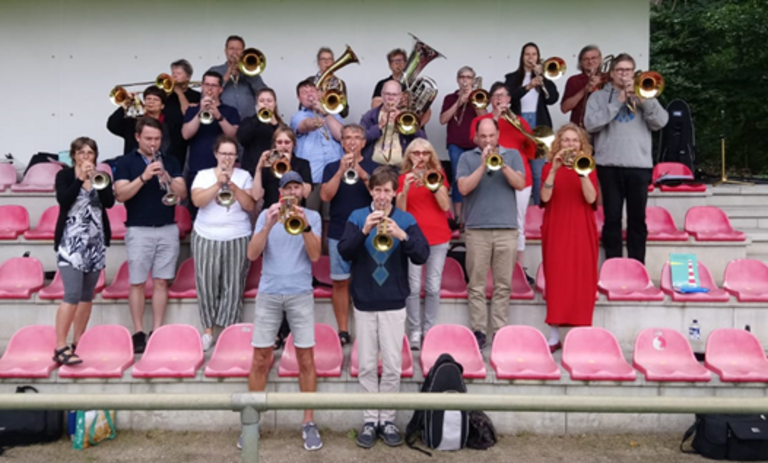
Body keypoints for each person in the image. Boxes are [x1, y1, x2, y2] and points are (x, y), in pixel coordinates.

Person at [338, 166, 429, 449]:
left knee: (391, 365)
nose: (382, 196)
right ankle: (370, 420)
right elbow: (343, 252)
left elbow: (422, 254)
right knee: (366, 364)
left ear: (394, 193)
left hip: (393, 302)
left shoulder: (406, 218)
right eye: (377, 190)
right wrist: (365, 228)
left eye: (387, 191)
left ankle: (387, 420)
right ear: (371, 191)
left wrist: (402, 234)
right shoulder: (356, 216)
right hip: (364, 302)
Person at [246, 171, 323, 451]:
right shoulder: (267, 215)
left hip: (300, 292)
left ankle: (308, 422)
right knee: (260, 357)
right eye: (286, 188)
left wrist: (303, 225)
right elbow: (252, 254)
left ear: (303, 191)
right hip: (269, 292)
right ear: (280, 191)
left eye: (295, 188)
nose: (291, 192)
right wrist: (266, 225)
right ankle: (251, 421)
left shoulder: (311, 218)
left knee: (306, 357)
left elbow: (315, 255)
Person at [584, 53, 669, 264]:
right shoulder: (598, 97)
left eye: (628, 70)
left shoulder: (645, 94)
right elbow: (590, 125)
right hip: (609, 165)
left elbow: (661, 122)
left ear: (634, 72)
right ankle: (613, 264)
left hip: (638, 166)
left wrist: (644, 101)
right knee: (612, 219)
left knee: (637, 220)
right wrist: (617, 102)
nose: (624, 74)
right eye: (620, 70)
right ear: (612, 74)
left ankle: (636, 265)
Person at [114, 117, 187, 353]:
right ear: (137, 137)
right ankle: (138, 332)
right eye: (148, 139)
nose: (153, 143)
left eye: (156, 139)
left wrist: (166, 177)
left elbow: (182, 193)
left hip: (167, 226)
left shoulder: (171, 160)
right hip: (138, 228)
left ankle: (157, 329)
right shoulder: (125, 162)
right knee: (136, 282)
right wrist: (144, 177)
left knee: (161, 281)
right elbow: (121, 194)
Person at [457, 119, 526, 349]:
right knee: (476, 284)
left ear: (498, 135)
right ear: (476, 137)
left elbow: (520, 184)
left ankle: (499, 331)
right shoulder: (467, 158)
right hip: (477, 229)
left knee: (503, 284)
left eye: (491, 136)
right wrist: (482, 165)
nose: (487, 140)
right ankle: (478, 330)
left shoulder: (513, 155)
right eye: (483, 136)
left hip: (507, 229)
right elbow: (464, 188)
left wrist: (502, 164)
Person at [52, 137, 115, 365]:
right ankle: (60, 345)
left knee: (87, 296)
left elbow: (109, 203)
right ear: (74, 155)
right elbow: (64, 199)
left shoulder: (102, 177)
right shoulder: (65, 176)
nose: (86, 157)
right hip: (71, 243)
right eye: (81, 153)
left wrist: (100, 181)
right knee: (72, 294)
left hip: (95, 244)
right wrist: (79, 179)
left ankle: (78, 341)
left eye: (90, 153)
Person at [190, 135, 255, 352]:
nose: (227, 157)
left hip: (237, 235)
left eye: (231, 154)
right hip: (206, 235)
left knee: (233, 285)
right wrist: (219, 183)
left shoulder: (244, 176)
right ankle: (208, 331)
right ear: (216, 154)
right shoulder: (204, 175)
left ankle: (229, 331)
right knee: (207, 284)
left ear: (236, 156)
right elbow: (197, 201)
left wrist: (233, 186)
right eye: (224, 153)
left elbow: (250, 206)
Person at [469, 82, 538, 284]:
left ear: (510, 99)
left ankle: (519, 268)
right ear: (491, 99)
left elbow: (532, 150)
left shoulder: (520, 122)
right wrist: (496, 118)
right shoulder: (481, 120)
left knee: (518, 224)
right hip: (489, 177)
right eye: (496, 95)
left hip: (517, 176)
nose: (500, 99)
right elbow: (475, 140)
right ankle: (490, 270)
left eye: (504, 95)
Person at [539, 124, 599, 352]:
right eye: (566, 140)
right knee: (556, 278)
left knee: (583, 278)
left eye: (575, 140)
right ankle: (554, 335)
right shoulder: (547, 168)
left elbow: (591, 198)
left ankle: (581, 332)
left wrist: (582, 173)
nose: (570, 144)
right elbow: (545, 196)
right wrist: (554, 170)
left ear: (581, 144)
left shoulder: (589, 168)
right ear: (558, 144)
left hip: (582, 227)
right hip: (557, 227)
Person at [320, 123, 377, 347]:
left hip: (369, 233)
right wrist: (340, 171)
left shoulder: (374, 165)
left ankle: (367, 330)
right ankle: (343, 330)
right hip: (339, 232)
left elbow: (379, 193)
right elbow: (325, 196)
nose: (352, 142)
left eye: (357, 138)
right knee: (341, 283)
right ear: (342, 143)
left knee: (367, 281)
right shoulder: (332, 166)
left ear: (364, 142)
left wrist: (361, 172)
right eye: (347, 138)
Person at [395, 138, 451, 350]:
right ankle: (415, 330)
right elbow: (400, 213)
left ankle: (429, 329)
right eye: (416, 153)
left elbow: (445, 206)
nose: (420, 157)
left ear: (431, 156)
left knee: (433, 287)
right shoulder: (402, 178)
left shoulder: (438, 176)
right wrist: (406, 189)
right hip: (414, 239)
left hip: (438, 237)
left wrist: (434, 184)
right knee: (413, 287)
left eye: (425, 153)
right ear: (409, 156)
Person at [504, 42, 559, 205]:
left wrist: (543, 79)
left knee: (537, 171)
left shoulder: (545, 77)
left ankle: (537, 207)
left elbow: (553, 99)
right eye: (527, 54)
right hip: (518, 124)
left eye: (534, 54)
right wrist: (528, 86)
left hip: (539, 124)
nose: (530, 57)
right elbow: (509, 98)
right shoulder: (512, 78)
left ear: (538, 57)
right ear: (522, 57)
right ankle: (515, 208)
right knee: (517, 169)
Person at [182, 70, 240, 215]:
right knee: (197, 209)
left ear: (220, 89)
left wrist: (219, 116)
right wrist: (200, 111)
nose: (209, 89)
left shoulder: (230, 111)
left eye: (214, 86)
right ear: (201, 86)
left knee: (225, 208)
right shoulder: (192, 109)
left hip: (225, 170)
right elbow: (186, 134)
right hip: (198, 168)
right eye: (207, 84)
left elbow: (233, 136)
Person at [439, 66, 487, 223]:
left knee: (478, 177)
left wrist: (474, 101)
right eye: (462, 77)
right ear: (458, 79)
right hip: (455, 143)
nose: (465, 80)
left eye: (469, 77)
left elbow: (485, 119)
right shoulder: (449, 98)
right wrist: (459, 102)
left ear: (473, 80)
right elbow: (443, 119)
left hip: (475, 144)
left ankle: (475, 214)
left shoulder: (478, 97)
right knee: (458, 177)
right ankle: (458, 217)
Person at [291, 77, 344, 212]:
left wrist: (325, 112)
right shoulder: (297, 116)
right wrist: (315, 121)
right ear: (298, 98)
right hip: (312, 177)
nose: (309, 95)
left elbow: (340, 135)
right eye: (304, 92)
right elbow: (304, 125)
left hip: (333, 176)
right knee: (310, 214)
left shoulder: (333, 114)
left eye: (312, 91)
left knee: (330, 217)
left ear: (319, 94)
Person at [360, 80, 426, 167]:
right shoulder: (370, 115)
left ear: (400, 96)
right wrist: (379, 126)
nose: (390, 98)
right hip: (374, 166)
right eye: (387, 94)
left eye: (394, 95)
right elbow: (360, 140)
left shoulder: (407, 117)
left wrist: (405, 124)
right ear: (382, 95)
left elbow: (423, 141)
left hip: (401, 167)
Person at [251, 125, 312, 210]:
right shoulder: (269, 165)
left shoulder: (303, 164)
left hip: (295, 212)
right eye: (279, 142)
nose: (283, 146)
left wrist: (288, 166)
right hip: (272, 211)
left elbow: (306, 193)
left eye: (287, 142)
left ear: (294, 144)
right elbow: (256, 196)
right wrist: (259, 169)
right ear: (274, 144)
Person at [208, 35, 267, 120]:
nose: (235, 52)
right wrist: (226, 76)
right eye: (231, 49)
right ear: (226, 51)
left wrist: (247, 73)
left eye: (238, 49)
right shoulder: (214, 71)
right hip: (222, 122)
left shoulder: (252, 73)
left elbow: (263, 93)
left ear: (243, 51)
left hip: (248, 123)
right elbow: (206, 95)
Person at [107, 86, 171, 155]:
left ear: (162, 106)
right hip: (133, 163)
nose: (151, 102)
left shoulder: (170, 124)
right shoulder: (134, 123)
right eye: (148, 99)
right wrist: (125, 105)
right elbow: (112, 125)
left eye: (156, 99)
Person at [237, 87, 284, 177]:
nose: (266, 103)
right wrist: (258, 119)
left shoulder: (281, 125)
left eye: (269, 100)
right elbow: (242, 139)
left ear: (275, 104)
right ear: (257, 104)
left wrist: (275, 124)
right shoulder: (248, 121)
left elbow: (285, 143)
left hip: (273, 170)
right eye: (262, 101)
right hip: (252, 170)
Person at [164, 59, 201, 168]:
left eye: (178, 74)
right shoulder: (166, 95)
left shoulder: (196, 96)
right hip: (169, 139)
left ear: (188, 78)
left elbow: (187, 114)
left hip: (187, 140)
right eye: (173, 73)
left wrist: (179, 92)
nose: (174, 77)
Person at [561, 45, 604, 127]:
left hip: (603, 128)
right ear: (580, 62)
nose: (590, 62)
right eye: (586, 59)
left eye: (594, 58)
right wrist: (584, 90)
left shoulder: (608, 79)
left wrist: (600, 85)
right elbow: (564, 109)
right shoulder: (573, 80)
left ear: (600, 60)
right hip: (580, 128)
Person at [313, 47, 349, 119]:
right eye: (323, 59)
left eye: (330, 59)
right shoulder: (310, 81)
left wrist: (329, 100)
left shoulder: (340, 83)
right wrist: (315, 98)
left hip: (334, 119)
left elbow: (345, 113)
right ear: (318, 62)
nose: (326, 62)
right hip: (313, 118)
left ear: (333, 62)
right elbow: (301, 107)